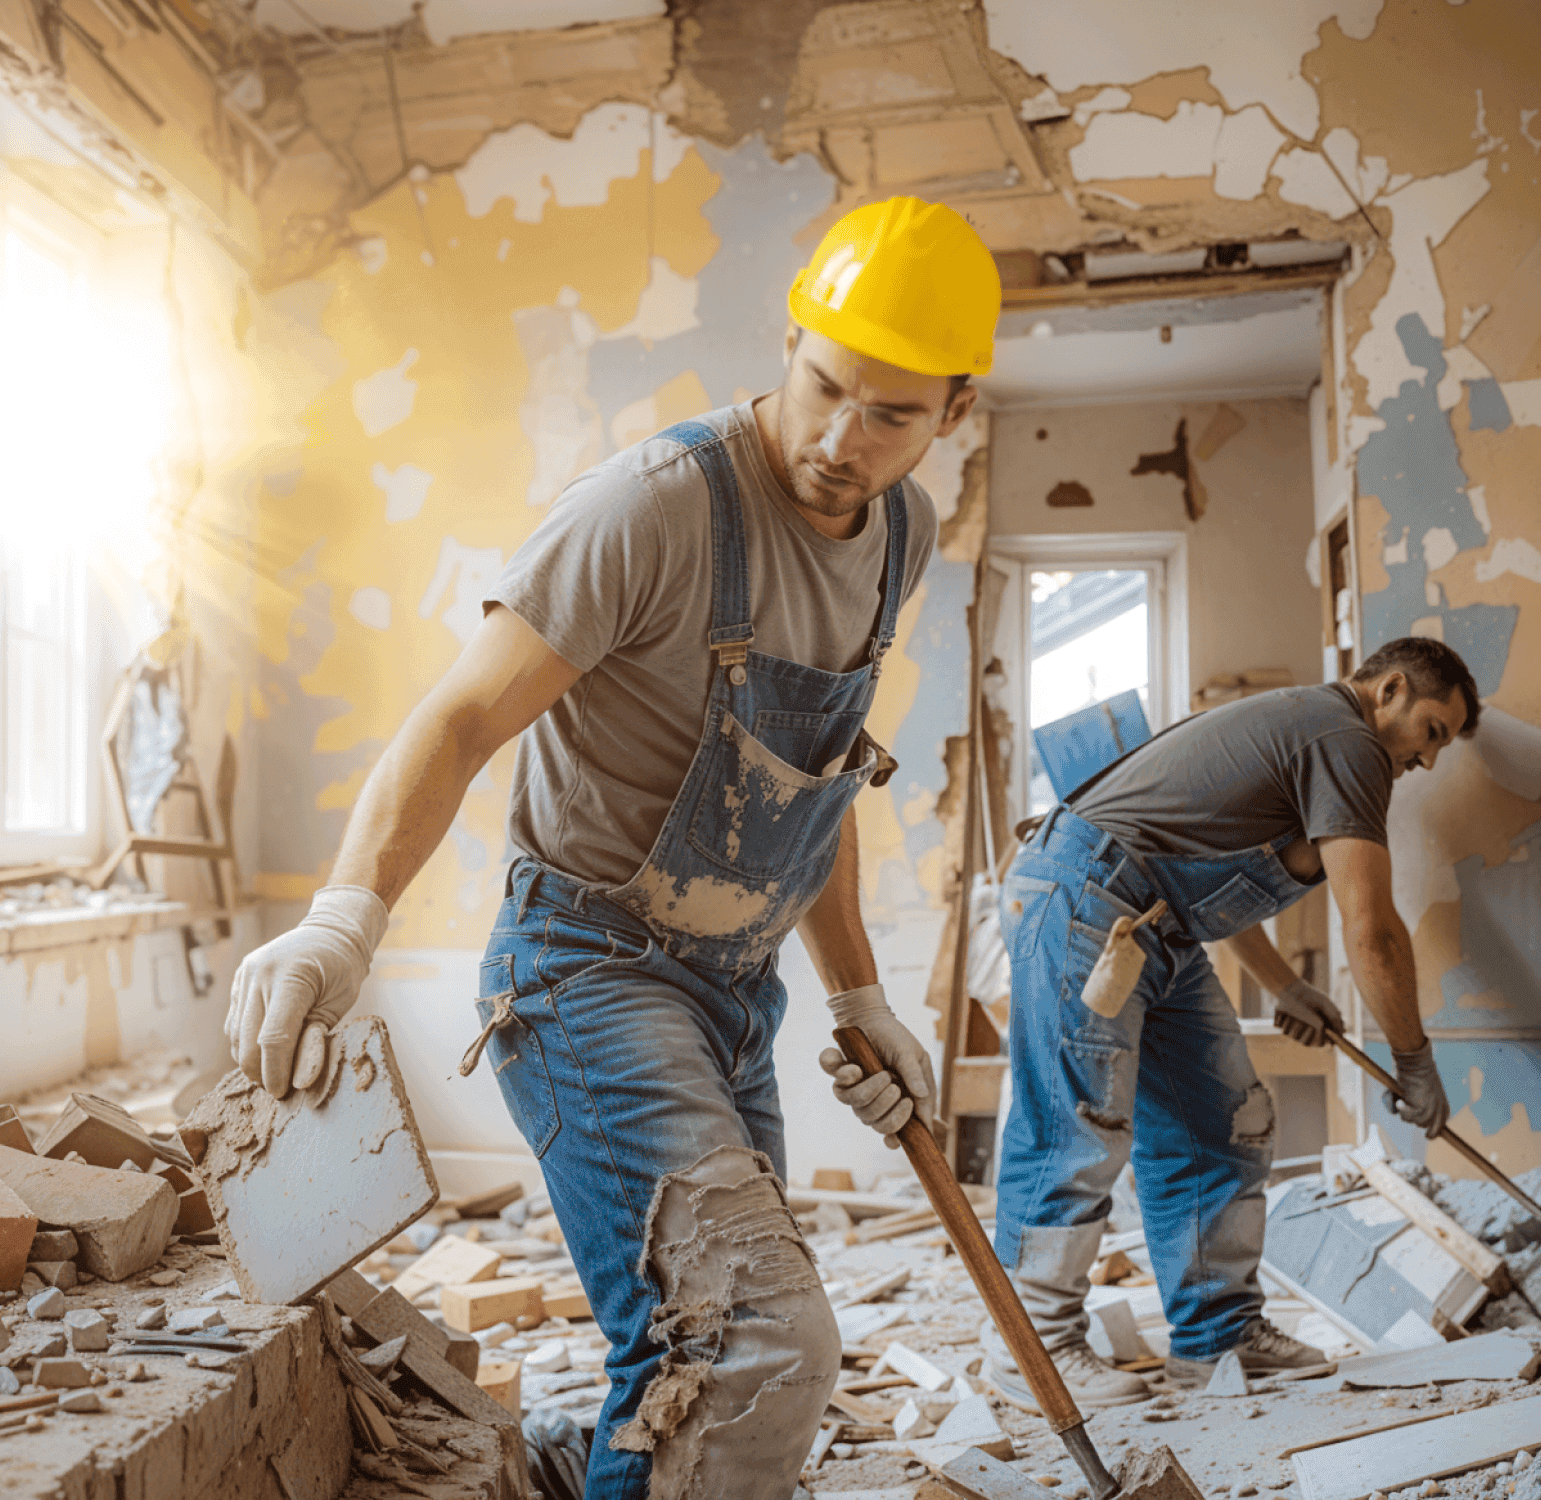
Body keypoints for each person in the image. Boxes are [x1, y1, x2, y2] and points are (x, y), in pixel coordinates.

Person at [223, 195, 998, 1499]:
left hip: (731, 993)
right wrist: (342, 922)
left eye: (890, 415)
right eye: (824, 387)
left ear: (953, 414)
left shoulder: (901, 537)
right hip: (584, 972)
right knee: (751, 1346)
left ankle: (555, 1477)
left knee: (707, 1357)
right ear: (793, 342)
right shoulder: (655, 508)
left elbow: (810, 788)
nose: (837, 438)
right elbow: (461, 716)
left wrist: (861, 996)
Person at [940, 636, 1477, 1409]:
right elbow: (1372, 928)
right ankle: (1033, 1348)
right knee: (1075, 1126)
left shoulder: (1316, 733)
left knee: (1217, 1122)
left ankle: (1215, 1337)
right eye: (1430, 732)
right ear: (1389, 690)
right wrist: (1413, 1059)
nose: (1426, 760)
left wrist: (1284, 986)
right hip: (1089, 899)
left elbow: (1205, 862)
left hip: (1154, 920)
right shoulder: (1349, 742)